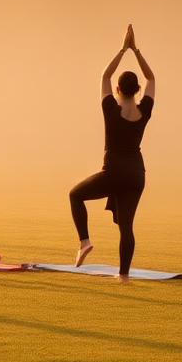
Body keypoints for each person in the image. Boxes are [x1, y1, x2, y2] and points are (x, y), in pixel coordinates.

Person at [69, 24, 155, 283]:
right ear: (137, 90)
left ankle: (84, 242)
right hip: (136, 174)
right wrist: (135, 50)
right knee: (127, 227)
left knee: (75, 195)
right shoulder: (144, 110)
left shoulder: (110, 109)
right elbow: (152, 79)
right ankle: (124, 276)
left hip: (114, 171)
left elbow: (104, 75)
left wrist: (122, 49)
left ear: (118, 89)